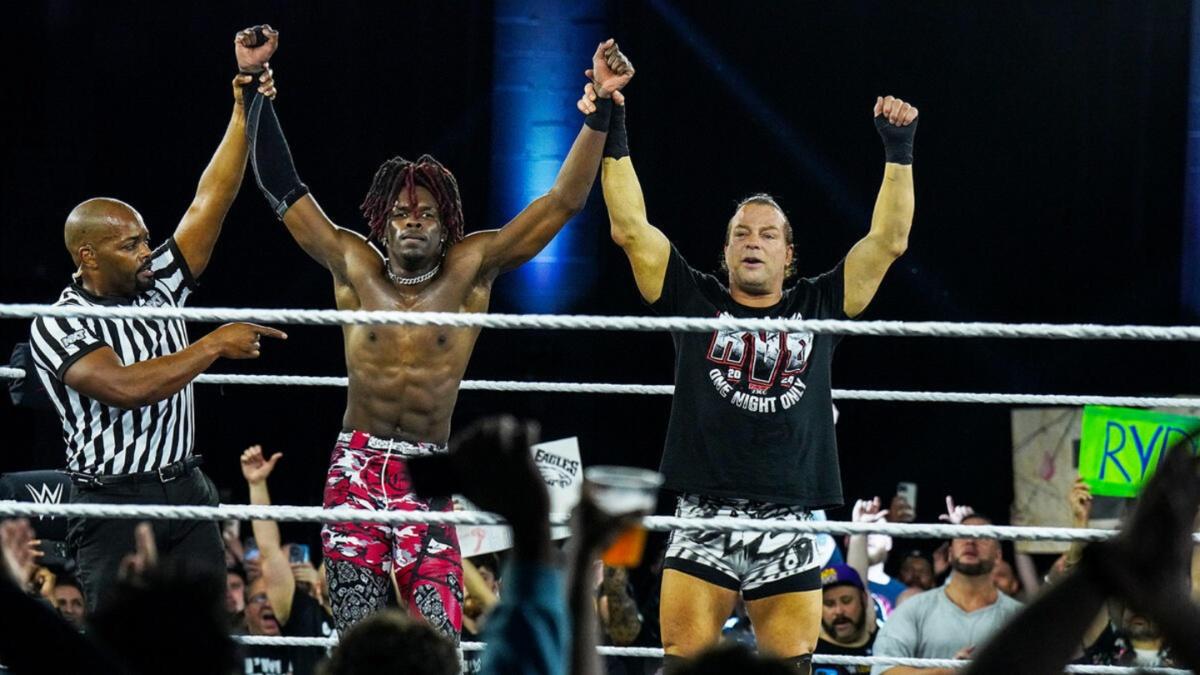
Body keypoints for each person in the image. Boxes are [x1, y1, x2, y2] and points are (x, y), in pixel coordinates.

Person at [238, 26, 634, 638]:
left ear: (446, 222)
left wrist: (602, 110)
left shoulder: (472, 268)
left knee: (440, 641)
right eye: (400, 213)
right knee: (356, 637)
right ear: (383, 222)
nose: (413, 222)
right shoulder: (353, 265)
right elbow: (283, 192)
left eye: (426, 213)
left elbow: (562, 203)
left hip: (429, 469)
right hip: (356, 464)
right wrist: (253, 91)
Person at [581, 77, 918, 671]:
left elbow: (888, 241)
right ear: (726, 252)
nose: (753, 242)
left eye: (768, 234)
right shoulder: (693, 298)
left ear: (790, 255)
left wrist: (899, 149)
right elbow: (630, 229)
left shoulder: (819, 304)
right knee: (683, 663)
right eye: (742, 233)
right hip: (704, 510)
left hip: (788, 516)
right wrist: (615, 121)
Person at [25, 27, 286, 610]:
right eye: (131, 246)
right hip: (113, 503)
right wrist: (214, 344)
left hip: (187, 493)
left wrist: (245, 101)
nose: (147, 253)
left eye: (146, 240)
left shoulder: (159, 283)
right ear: (88, 257)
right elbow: (124, 387)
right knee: (121, 651)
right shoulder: (59, 323)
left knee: (202, 642)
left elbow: (210, 199)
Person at [868, 515, 1023, 675]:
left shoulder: (1020, 617)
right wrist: (943, 673)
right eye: (962, 535)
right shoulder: (913, 610)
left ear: (998, 556)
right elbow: (883, 670)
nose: (970, 541)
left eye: (981, 536)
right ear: (950, 553)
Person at [240, 445, 334, 675]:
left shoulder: (376, 608)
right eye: (331, 559)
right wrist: (257, 485)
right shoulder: (302, 612)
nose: (341, 562)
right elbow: (269, 550)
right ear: (318, 584)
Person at [815, 564, 878, 675]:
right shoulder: (809, 657)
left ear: (864, 599)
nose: (839, 611)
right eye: (829, 604)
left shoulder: (887, 644)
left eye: (846, 600)